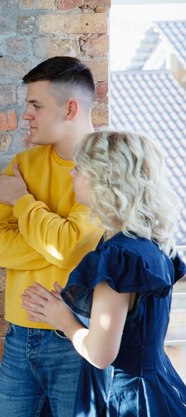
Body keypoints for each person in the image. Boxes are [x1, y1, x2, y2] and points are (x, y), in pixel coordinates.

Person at [22, 130, 186, 417]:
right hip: (157, 389)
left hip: (128, 401)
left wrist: (63, 320)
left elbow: (100, 354)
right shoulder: (151, 244)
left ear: (105, 180)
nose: (72, 174)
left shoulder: (118, 257)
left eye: (80, 169)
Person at [0, 56, 105, 417]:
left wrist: (22, 201)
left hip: (77, 336)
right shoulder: (23, 165)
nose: (26, 115)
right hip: (19, 335)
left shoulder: (108, 166)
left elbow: (70, 249)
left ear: (70, 108)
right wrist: (62, 237)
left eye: (36, 105)